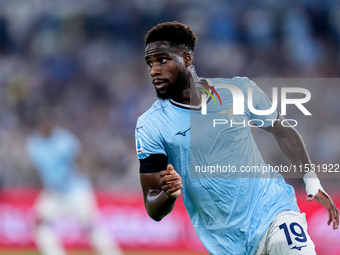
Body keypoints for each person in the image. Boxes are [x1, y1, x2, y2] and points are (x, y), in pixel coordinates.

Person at [135, 21, 339, 255]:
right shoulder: (150, 125)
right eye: (150, 63)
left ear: (187, 59)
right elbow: (153, 206)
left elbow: (283, 131)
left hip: (274, 213)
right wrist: (168, 194)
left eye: (162, 60)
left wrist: (311, 179)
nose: (153, 70)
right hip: (226, 245)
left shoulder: (240, 90)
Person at [26, 109, 123, 255]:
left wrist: (74, 173)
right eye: (41, 124)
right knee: (39, 224)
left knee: (91, 226)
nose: (44, 126)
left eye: (46, 123)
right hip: (54, 191)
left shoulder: (64, 140)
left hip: (76, 189)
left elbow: (83, 160)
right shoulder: (34, 144)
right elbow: (38, 169)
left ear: (51, 124)